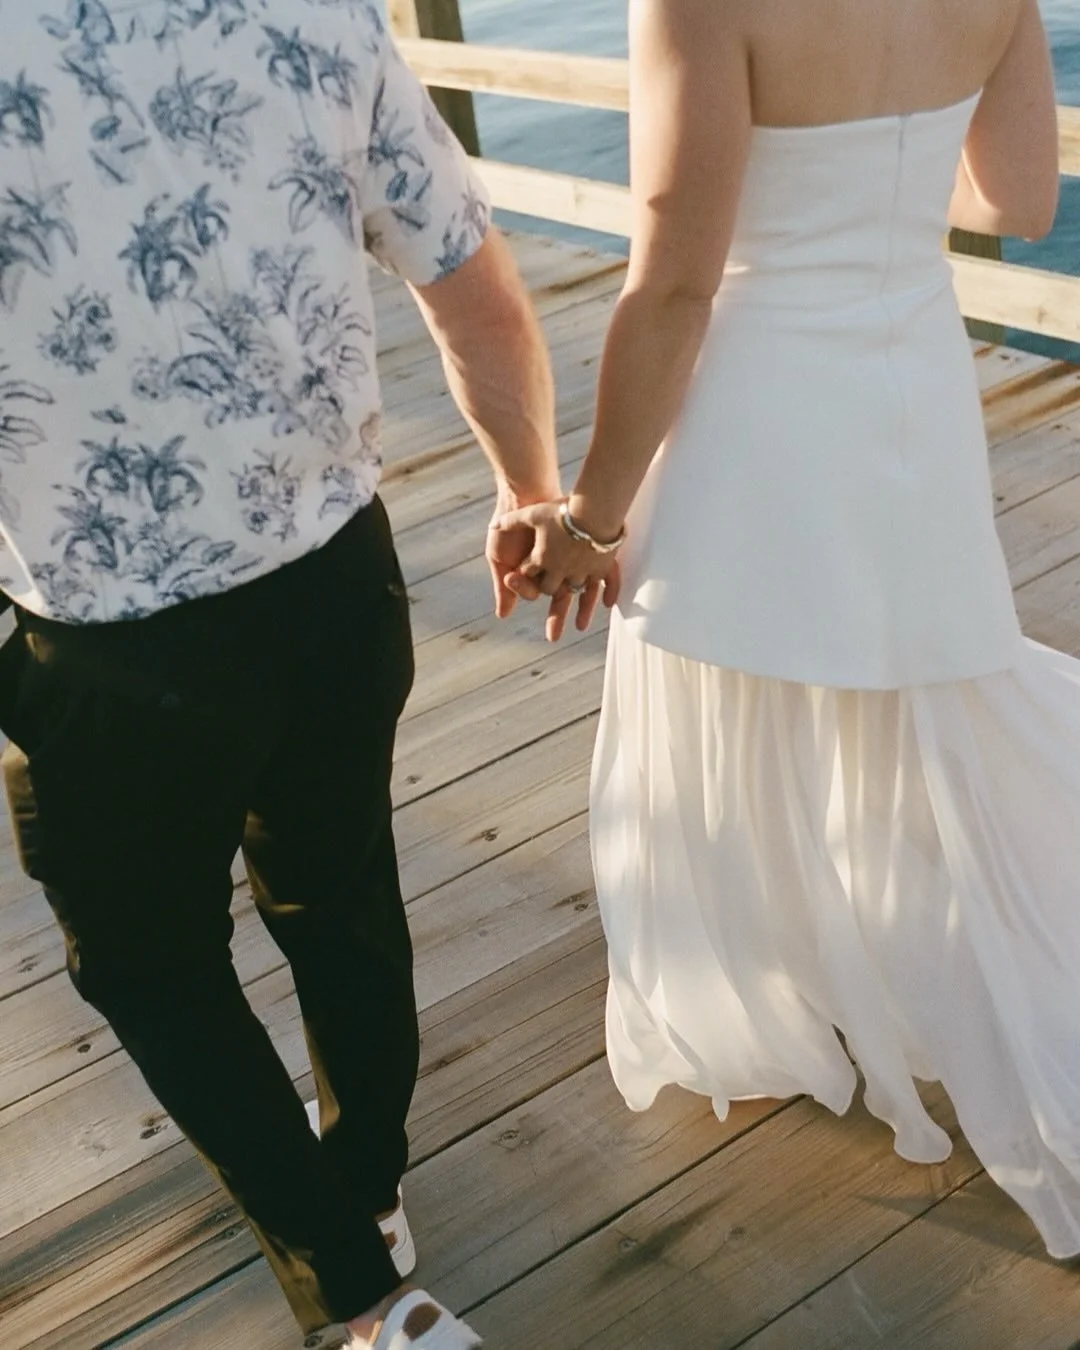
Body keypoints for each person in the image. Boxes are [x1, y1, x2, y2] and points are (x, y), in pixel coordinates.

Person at [0, 3, 561, 1346]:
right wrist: (531, 490)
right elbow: (476, 294)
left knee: (149, 965)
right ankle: (366, 1185)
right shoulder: (313, 13)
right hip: (333, 587)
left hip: (105, 646)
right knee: (341, 893)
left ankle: (363, 1301)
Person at [497, 0, 1080, 1258]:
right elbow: (1019, 201)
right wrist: (882, 179)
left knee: (729, 682)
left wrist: (589, 517)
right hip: (908, 368)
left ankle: (784, 991)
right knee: (920, 679)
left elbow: (675, 283)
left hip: (758, 396)